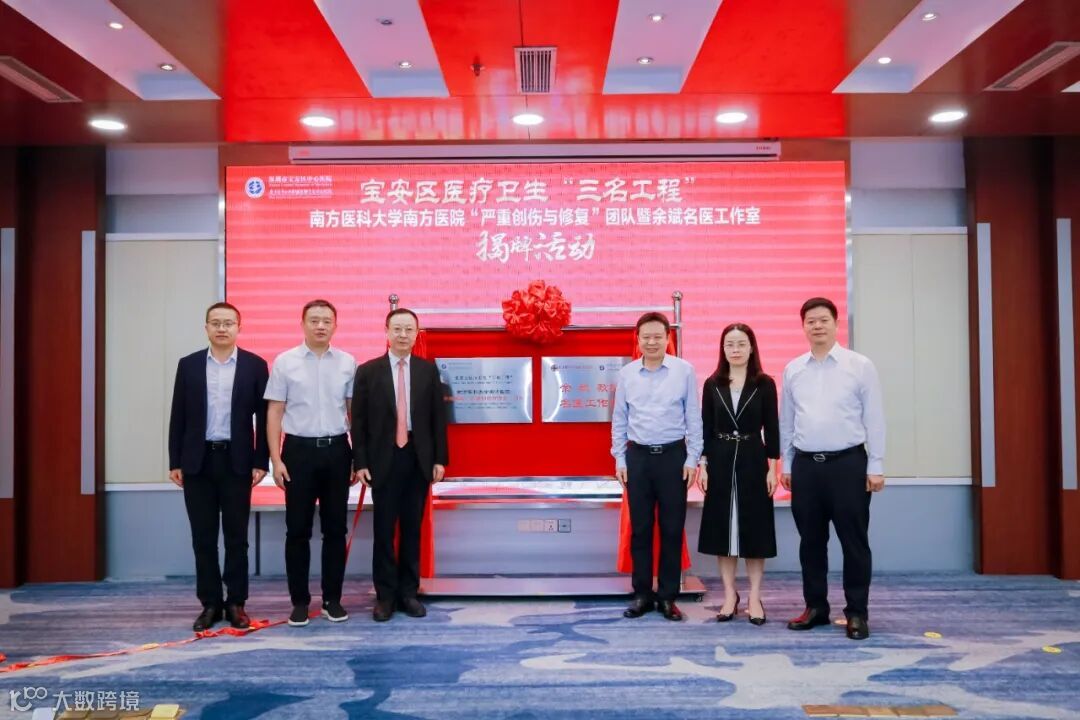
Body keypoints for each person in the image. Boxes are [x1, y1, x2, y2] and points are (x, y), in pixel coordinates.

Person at [780, 297, 886, 640]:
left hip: (848, 466)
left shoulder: (860, 365)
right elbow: (787, 422)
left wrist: (876, 464)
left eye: (823, 320)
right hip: (806, 467)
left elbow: (874, 417)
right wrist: (787, 463)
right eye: (810, 321)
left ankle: (857, 613)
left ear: (835, 323)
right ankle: (816, 607)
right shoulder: (793, 369)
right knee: (810, 542)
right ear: (803, 327)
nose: (817, 326)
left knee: (854, 542)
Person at [168, 302, 269, 632]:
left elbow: (265, 417)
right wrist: (175, 461)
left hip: (237, 462)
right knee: (203, 537)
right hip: (197, 462)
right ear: (206, 327)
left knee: (237, 538)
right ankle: (210, 603)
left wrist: (261, 460)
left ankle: (236, 602)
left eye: (228, 323)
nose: (222, 328)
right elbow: (178, 415)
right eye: (216, 323)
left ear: (239, 327)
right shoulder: (189, 365)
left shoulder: (255, 366)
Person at [265, 299, 358, 627]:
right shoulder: (285, 361)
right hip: (298, 452)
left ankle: (333, 599)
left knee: (335, 529)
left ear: (335, 325)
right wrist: (275, 459)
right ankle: (300, 602)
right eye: (314, 320)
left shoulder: (347, 362)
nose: (320, 326)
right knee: (297, 530)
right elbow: (275, 411)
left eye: (327, 321)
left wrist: (357, 456)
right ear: (303, 323)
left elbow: (353, 412)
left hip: (337, 451)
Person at [352, 308, 449, 622]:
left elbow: (438, 419)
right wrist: (360, 462)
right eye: (397, 329)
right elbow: (358, 422)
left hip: (417, 459)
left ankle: (408, 592)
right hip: (383, 459)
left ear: (416, 333)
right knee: (383, 531)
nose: (403, 335)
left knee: (411, 529)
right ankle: (385, 596)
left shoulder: (427, 371)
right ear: (386, 332)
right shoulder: (368, 371)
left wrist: (440, 459)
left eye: (409, 329)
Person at [612, 312, 703, 621]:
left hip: (673, 457)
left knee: (672, 529)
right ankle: (642, 594)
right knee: (640, 529)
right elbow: (619, 420)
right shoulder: (627, 374)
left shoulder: (684, 371)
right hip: (637, 458)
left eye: (657, 337)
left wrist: (692, 458)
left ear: (667, 338)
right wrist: (620, 458)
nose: (651, 342)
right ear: (638, 340)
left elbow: (693, 418)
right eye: (646, 337)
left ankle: (667, 597)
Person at [697, 323, 779, 625]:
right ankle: (730, 595)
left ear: (751, 347)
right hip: (719, 459)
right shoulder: (712, 384)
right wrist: (703, 464)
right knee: (724, 531)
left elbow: (772, 428)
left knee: (755, 530)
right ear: (722, 348)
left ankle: (755, 596)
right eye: (729, 344)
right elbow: (706, 427)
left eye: (741, 344)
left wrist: (773, 469)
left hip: (753, 458)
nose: (735, 349)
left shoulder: (764, 383)